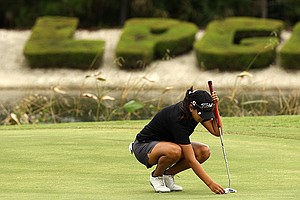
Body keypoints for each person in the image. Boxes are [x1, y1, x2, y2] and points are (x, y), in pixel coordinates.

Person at [130, 86, 225, 194]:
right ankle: (156, 176)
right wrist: (210, 183)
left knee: (203, 151)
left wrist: (216, 107)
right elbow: (191, 160)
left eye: (207, 114)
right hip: (144, 146)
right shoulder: (178, 118)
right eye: (202, 115)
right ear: (191, 107)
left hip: (168, 145)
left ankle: (168, 175)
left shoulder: (198, 111)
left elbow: (217, 132)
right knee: (175, 151)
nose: (203, 118)